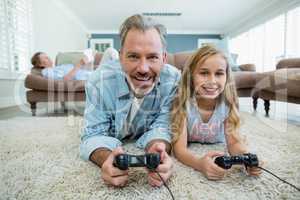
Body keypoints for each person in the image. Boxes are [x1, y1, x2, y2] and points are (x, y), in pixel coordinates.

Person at [80, 14, 181, 187]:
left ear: (164, 58)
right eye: (133, 56)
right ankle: (109, 56)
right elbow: (93, 134)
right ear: (121, 57)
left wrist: (159, 149)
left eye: (152, 57)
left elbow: (163, 126)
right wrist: (106, 159)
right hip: (110, 74)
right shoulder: (97, 82)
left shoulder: (174, 80)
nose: (143, 68)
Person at [171, 45, 262, 180]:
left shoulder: (227, 104)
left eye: (219, 73)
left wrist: (246, 157)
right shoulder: (184, 103)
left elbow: (233, 143)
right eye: (204, 73)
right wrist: (199, 163)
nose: (212, 81)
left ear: (226, 77)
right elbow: (179, 150)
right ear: (191, 76)